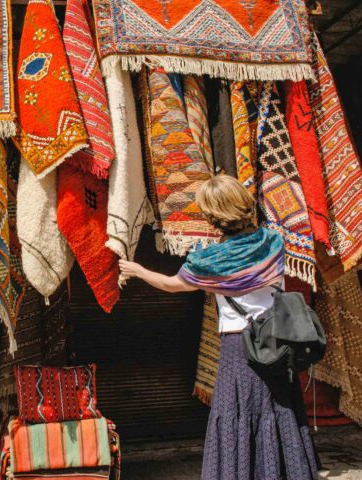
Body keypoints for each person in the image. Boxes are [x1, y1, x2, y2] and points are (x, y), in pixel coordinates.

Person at [119, 175, 318, 480]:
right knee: (278, 411)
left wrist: (139, 270)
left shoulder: (208, 260)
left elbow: (173, 285)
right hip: (276, 339)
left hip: (239, 348)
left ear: (214, 218)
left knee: (236, 413)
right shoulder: (274, 242)